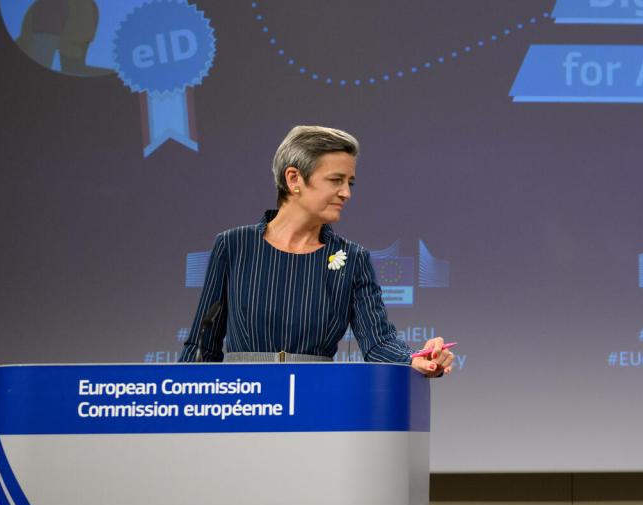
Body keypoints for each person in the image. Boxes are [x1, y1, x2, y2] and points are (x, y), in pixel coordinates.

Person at [179, 125, 455, 376]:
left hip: (316, 405)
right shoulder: (234, 245)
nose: (346, 193)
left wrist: (415, 359)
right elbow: (203, 345)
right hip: (242, 402)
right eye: (336, 180)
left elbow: (378, 342)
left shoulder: (353, 258)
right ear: (293, 178)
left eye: (350, 182)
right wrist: (177, 401)